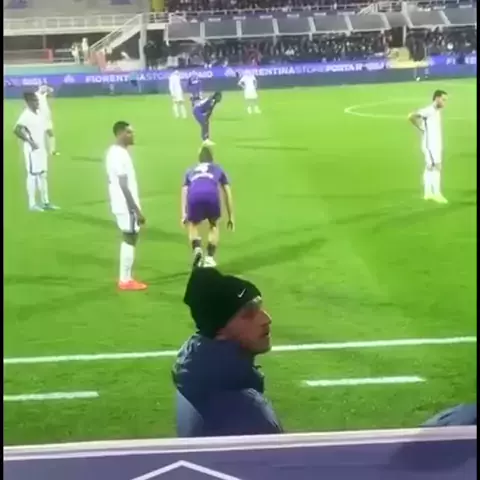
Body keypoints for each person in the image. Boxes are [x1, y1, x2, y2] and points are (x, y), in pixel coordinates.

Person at [173, 267, 283, 437]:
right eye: (249, 314)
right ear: (219, 330)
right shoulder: (249, 413)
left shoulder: (193, 373)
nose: (266, 319)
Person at [105, 121, 147, 291]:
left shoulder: (116, 152)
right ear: (120, 133)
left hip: (122, 203)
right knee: (130, 237)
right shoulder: (118, 155)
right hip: (125, 204)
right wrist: (136, 209)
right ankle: (125, 279)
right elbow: (123, 184)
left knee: (130, 236)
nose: (132, 135)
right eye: (129, 132)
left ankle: (126, 278)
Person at [181, 146, 234, 268]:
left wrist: (184, 213)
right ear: (212, 158)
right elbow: (227, 191)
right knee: (213, 224)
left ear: (199, 159)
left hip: (194, 195)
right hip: (211, 195)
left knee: (193, 224)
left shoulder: (191, 170)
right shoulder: (217, 168)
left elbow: (184, 191)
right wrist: (231, 216)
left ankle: (197, 249)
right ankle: (209, 258)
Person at [13, 91, 59, 212]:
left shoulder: (39, 113)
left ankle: (46, 202)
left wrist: (50, 137)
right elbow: (16, 130)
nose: (37, 102)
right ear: (28, 102)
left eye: (37, 100)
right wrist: (30, 142)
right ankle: (32, 204)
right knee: (32, 176)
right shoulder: (26, 115)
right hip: (31, 150)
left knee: (43, 175)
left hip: (41, 149)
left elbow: (45, 129)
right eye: (35, 101)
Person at [409, 90, 448, 203]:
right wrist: (420, 128)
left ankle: (428, 193)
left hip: (435, 143)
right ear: (437, 98)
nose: (444, 102)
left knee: (430, 167)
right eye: (443, 99)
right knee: (437, 166)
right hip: (430, 144)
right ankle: (437, 194)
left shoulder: (437, 111)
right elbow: (411, 116)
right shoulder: (429, 110)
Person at [36, 84, 59, 156]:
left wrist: (49, 89)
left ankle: (52, 151)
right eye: (43, 88)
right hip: (39, 119)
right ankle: (37, 150)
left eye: (45, 88)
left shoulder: (44, 95)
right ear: (40, 88)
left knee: (51, 134)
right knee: (38, 135)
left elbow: (51, 92)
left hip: (47, 119)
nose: (44, 90)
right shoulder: (35, 95)